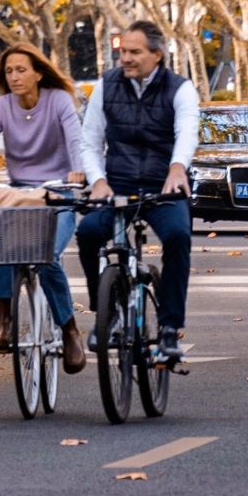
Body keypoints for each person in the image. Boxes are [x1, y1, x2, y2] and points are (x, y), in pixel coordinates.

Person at [77, 19, 198, 361]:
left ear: (157, 54)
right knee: (87, 233)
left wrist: (178, 168)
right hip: (118, 186)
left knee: (178, 235)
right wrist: (98, 181)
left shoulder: (180, 88)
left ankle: (170, 328)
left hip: (163, 187)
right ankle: (108, 313)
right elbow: (89, 142)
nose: (126, 58)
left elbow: (187, 131)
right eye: (123, 51)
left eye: (134, 52)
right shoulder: (106, 86)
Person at [0, 41, 87, 371]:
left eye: (22, 70)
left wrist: (79, 171)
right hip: (20, 193)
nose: (15, 76)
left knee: (47, 255)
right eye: (9, 71)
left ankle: (70, 331)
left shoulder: (59, 100)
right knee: (3, 242)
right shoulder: (0, 107)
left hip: (60, 191)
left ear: (37, 73)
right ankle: (3, 320)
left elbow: (76, 141)